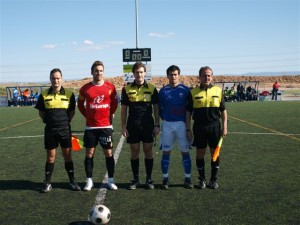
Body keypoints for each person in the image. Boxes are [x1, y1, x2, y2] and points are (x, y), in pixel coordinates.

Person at [35, 68, 81, 193]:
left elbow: (72, 112)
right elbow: (41, 113)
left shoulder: (69, 94)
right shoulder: (44, 94)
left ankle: (72, 181)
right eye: (53, 78)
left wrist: (64, 123)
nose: (56, 80)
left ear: (61, 79)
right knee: (50, 157)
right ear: (50, 79)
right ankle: (47, 183)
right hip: (50, 130)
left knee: (67, 156)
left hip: (65, 130)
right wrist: (49, 122)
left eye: (58, 78)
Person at [78, 60, 118, 191]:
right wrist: (87, 115)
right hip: (90, 128)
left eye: (101, 70)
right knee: (89, 154)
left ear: (103, 72)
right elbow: (80, 105)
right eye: (96, 70)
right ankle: (89, 181)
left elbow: (114, 104)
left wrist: (109, 114)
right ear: (92, 72)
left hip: (105, 127)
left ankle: (111, 180)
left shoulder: (110, 87)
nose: (98, 73)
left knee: (109, 154)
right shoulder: (85, 89)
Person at [186, 66, 228, 189]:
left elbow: (223, 111)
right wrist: (188, 129)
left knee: (215, 153)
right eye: (204, 75)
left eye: (209, 75)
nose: (207, 77)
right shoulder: (193, 92)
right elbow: (188, 112)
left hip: (215, 127)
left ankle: (213, 180)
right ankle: (202, 180)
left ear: (212, 76)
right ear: (199, 77)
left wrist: (224, 127)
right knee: (200, 153)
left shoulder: (218, 91)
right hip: (199, 127)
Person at [121, 62, 160, 190]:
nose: (139, 74)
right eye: (137, 72)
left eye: (142, 72)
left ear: (145, 73)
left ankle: (149, 179)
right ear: (133, 74)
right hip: (133, 124)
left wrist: (156, 124)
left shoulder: (152, 88)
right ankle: (136, 179)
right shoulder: (126, 89)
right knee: (134, 151)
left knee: (148, 150)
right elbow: (124, 109)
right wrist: (123, 126)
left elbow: (156, 108)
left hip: (148, 124)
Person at [158, 65, 193, 190]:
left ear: (179, 75)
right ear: (167, 76)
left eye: (175, 74)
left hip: (182, 125)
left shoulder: (185, 90)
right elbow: (159, 109)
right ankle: (165, 178)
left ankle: (187, 178)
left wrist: (188, 127)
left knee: (185, 151)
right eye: (171, 74)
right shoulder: (163, 91)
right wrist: (165, 119)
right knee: (166, 151)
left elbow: (190, 109)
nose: (173, 77)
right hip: (167, 124)